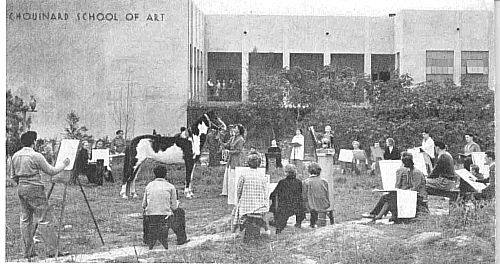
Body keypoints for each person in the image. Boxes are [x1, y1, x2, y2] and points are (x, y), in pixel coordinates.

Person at [11, 131, 71, 259]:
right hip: (35, 188)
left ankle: (28, 252)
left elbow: (13, 176)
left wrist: (22, 183)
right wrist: (64, 164)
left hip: (21, 188)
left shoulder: (15, 156)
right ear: (33, 142)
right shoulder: (35, 155)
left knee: (25, 220)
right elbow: (51, 171)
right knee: (44, 219)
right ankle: (52, 251)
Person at [362, 152, 428, 223]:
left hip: (418, 196)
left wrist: (402, 192)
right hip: (410, 194)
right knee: (388, 196)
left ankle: (379, 215)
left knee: (390, 197)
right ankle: (378, 215)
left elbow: (415, 188)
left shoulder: (416, 172)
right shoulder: (410, 171)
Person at [142, 166, 189, 250]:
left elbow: (144, 205)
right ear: (166, 175)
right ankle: (181, 238)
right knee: (180, 212)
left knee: (145, 213)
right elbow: (174, 207)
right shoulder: (170, 186)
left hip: (151, 217)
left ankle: (147, 238)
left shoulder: (149, 186)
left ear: (154, 175)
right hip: (165, 217)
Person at [232, 153, 270, 239]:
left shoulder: (243, 175)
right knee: (262, 215)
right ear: (259, 164)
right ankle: (266, 230)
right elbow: (265, 191)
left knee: (236, 212)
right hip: (259, 206)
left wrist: (238, 201)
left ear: (248, 163)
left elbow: (239, 190)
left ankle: (235, 231)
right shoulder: (262, 176)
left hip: (246, 206)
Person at [269, 164, 305, 234]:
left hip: (285, 206)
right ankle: (298, 223)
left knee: (276, 205)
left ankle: (278, 228)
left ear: (286, 173)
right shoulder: (299, 182)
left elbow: (274, 194)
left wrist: (271, 196)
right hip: (296, 206)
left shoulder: (282, 182)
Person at [302, 162, 332, 228]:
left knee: (309, 205)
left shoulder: (306, 182)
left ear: (309, 171)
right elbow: (327, 194)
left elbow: (304, 196)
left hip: (312, 206)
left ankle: (311, 223)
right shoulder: (324, 181)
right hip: (324, 204)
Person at [221, 125, 245, 196]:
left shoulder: (241, 139)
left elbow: (238, 151)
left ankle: (234, 192)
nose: (234, 129)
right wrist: (219, 140)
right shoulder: (232, 138)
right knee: (228, 175)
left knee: (233, 176)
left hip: (236, 160)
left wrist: (229, 152)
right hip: (230, 160)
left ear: (239, 130)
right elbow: (226, 145)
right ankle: (227, 192)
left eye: (236, 128)